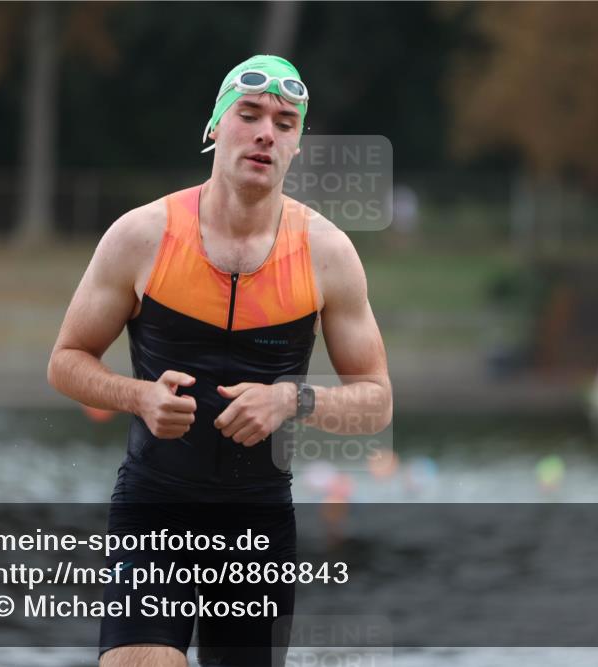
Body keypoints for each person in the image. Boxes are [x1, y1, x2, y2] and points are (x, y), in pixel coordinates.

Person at [48, 55, 392, 667]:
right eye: (250, 114)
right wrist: (139, 396)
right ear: (215, 128)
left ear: (297, 147)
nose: (266, 132)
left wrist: (293, 398)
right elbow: (67, 361)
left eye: (285, 123)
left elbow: (376, 401)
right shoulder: (142, 235)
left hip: (257, 520)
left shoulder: (328, 253)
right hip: (156, 506)